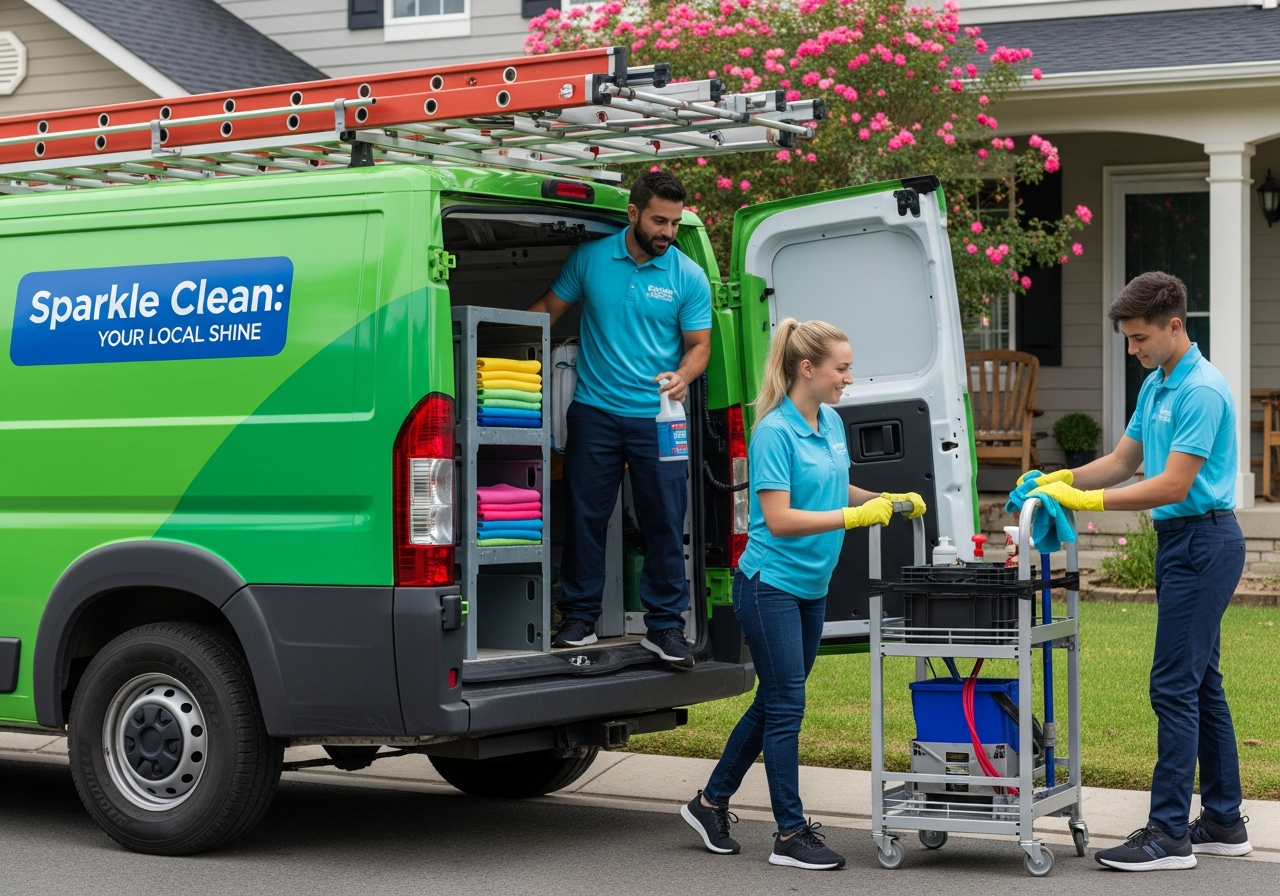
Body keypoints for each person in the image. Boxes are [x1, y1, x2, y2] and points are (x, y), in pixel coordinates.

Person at [1017, 271, 1250, 871]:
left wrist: (1086, 504)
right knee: (1200, 684)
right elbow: (1124, 460)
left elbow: (1173, 483)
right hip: (1182, 543)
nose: (1132, 349)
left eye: (1140, 337)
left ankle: (1169, 834)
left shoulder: (1201, 389)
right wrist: (1059, 481)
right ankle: (1223, 821)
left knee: (1172, 685)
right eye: (1127, 339)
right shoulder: (1158, 385)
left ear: (1175, 325)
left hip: (1205, 541)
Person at [680, 319, 925, 869]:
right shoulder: (774, 432)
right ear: (807, 368)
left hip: (810, 587)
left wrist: (889, 498)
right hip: (768, 587)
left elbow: (838, 486)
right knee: (788, 704)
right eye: (842, 368)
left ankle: (709, 802)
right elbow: (779, 517)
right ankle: (790, 834)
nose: (849, 379)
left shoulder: (831, 422)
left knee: (774, 701)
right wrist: (853, 516)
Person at [527, 170, 711, 668]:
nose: (667, 232)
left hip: (661, 418)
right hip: (595, 412)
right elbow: (547, 308)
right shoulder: (589, 259)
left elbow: (699, 348)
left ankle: (666, 628)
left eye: (674, 223)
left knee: (665, 524)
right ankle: (581, 620)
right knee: (586, 517)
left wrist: (684, 376)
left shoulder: (687, 276)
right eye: (658, 220)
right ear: (633, 214)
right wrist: (491, 345)